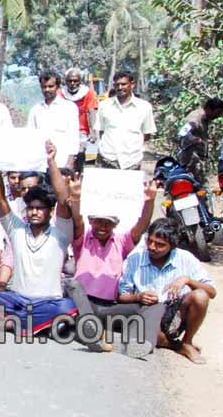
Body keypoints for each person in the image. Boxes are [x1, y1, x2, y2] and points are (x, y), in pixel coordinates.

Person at [0, 144, 77, 335]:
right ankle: (28, 325)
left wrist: (51, 161)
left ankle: (11, 324)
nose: (34, 212)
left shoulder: (60, 234)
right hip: (17, 300)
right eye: (31, 208)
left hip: (48, 302)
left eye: (40, 208)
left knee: (67, 308)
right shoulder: (17, 230)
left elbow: (63, 199)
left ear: (50, 211)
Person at [63, 174, 158, 356]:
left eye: (108, 223)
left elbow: (141, 225)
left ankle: (133, 343)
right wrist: (75, 197)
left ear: (115, 225)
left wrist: (149, 201)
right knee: (72, 286)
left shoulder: (121, 242)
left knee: (141, 308)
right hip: (82, 300)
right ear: (91, 221)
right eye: (99, 222)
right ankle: (91, 334)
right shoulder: (82, 239)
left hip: (108, 306)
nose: (103, 227)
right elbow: (76, 220)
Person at [118, 219, 217, 364]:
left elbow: (211, 292)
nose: (152, 247)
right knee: (148, 337)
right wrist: (138, 297)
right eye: (150, 241)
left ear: (172, 246)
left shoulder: (185, 258)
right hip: (148, 311)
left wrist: (188, 280)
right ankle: (179, 346)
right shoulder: (135, 259)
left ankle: (187, 342)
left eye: (160, 245)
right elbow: (122, 296)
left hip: (176, 312)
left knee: (200, 295)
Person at [94, 71, 157, 170]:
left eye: (123, 84)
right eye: (117, 85)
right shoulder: (104, 106)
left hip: (132, 161)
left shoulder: (144, 107)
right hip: (108, 159)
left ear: (132, 85)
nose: (120, 88)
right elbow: (101, 131)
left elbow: (146, 134)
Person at [27, 70, 79, 169]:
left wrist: (70, 163)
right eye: (44, 87)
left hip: (61, 163)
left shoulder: (69, 108)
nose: (47, 89)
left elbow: (73, 138)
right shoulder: (35, 110)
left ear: (58, 87)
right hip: (40, 164)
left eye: (51, 86)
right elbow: (31, 137)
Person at [177, 97, 223, 185]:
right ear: (209, 109)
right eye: (217, 113)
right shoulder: (196, 118)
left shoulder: (205, 119)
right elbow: (183, 131)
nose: (217, 116)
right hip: (191, 160)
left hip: (198, 160)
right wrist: (192, 138)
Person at [60, 68, 99, 171]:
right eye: (70, 81)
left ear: (80, 81)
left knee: (79, 155)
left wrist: (93, 131)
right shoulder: (60, 94)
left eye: (75, 81)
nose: (72, 83)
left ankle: (78, 175)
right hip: (64, 130)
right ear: (66, 81)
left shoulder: (87, 93)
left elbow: (91, 111)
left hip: (81, 130)